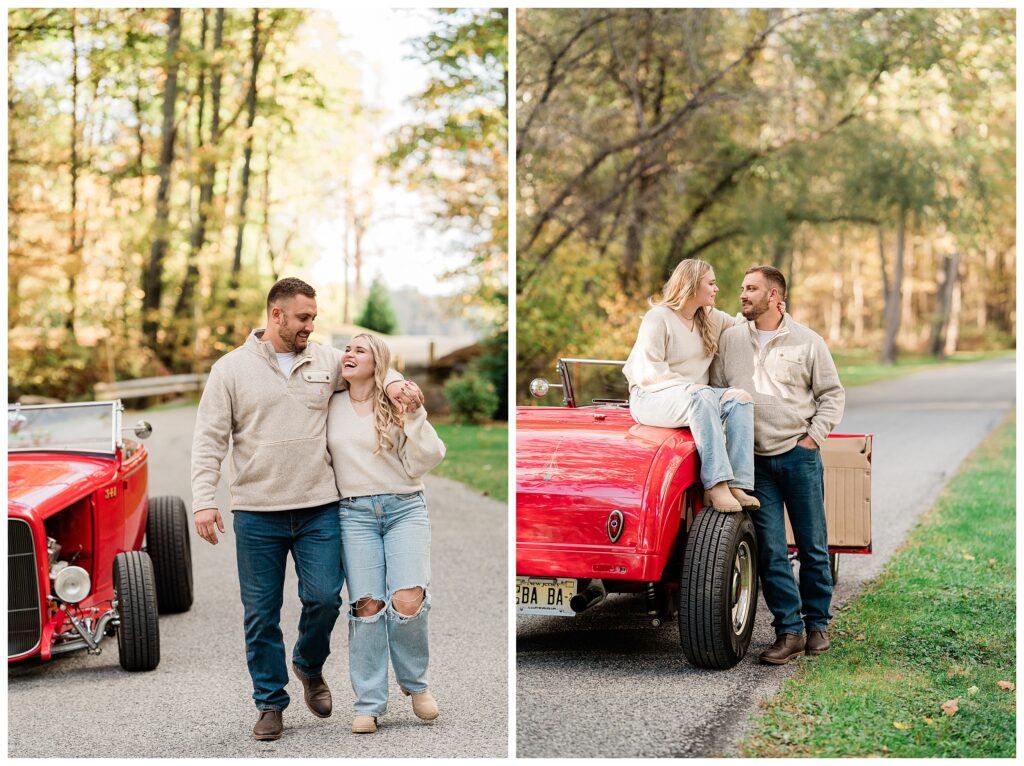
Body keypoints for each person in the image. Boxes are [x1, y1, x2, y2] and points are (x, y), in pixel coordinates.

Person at [190, 277, 423, 742]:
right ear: (275, 316)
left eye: (313, 317)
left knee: (323, 599)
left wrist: (400, 386)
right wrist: (202, 501)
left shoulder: (325, 360)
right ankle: (270, 703)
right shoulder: (230, 370)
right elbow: (209, 439)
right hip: (257, 512)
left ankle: (308, 665)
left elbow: (373, 364)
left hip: (319, 508)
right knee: (261, 612)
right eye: (303, 318)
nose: (310, 326)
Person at [710, 265, 845, 665]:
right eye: (741, 288)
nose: (743, 294)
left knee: (813, 546)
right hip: (753, 463)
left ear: (774, 296)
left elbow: (832, 396)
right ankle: (789, 632)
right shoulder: (730, 340)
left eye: (751, 288)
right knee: (770, 550)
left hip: (798, 456)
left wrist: (811, 440)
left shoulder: (808, 342)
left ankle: (817, 623)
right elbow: (718, 391)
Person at [326, 333, 446, 734]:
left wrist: (412, 413)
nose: (349, 354)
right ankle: (369, 703)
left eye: (360, 350)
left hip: (404, 506)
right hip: (353, 514)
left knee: (407, 599)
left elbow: (426, 459)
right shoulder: (330, 404)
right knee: (367, 606)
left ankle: (416, 686)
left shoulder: (395, 402)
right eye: (347, 349)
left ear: (378, 363)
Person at [623, 258, 760, 513]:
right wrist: (688, 389)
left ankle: (737, 484)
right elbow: (648, 370)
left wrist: (776, 315)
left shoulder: (709, 317)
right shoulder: (658, 318)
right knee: (702, 395)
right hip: (651, 397)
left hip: (697, 398)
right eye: (711, 283)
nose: (716, 288)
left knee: (740, 399)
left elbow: (742, 326)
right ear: (691, 285)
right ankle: (716, 485)